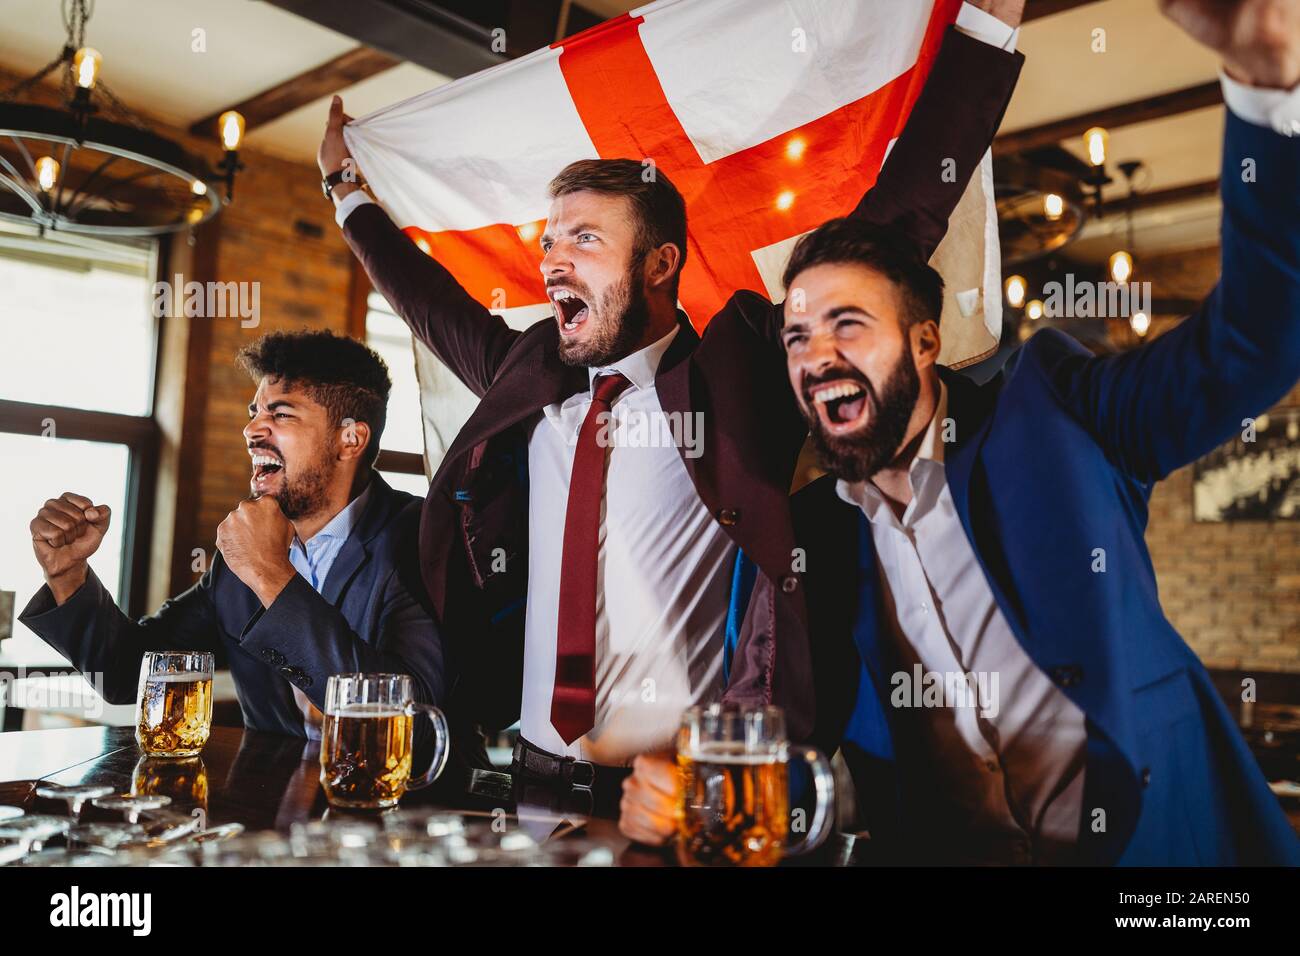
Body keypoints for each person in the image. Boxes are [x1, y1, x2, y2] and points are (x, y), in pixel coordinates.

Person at [618, 0, 1300, 865]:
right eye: (797, 336)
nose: (815, 355)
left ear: (927, 343)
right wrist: (703, 798)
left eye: (848, 325)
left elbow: (1251, 347)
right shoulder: (819, 541)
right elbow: (807, 770)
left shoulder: (1059, 413)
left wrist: (1270, 87)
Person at [317, 1, 1027, 810]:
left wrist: (984, 32)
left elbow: (896, 222)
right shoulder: (533, 373)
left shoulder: (742, 370)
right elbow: (428, 301)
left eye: (584, 238)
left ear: (660, 264)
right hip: (528, 786)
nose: (552, 260)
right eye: (550, 240)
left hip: (680, 802)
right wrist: (346, 192)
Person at [21, 330, 444, 741]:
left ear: (350, 439)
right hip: (275, 807)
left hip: (409, 807)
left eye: (280, 414)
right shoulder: (240, 557)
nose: (252, 430)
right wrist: (68, 575)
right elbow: (128, 673)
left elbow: (415, 719)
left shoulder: (422, 536)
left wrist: (270, 575)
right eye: (253, 412)